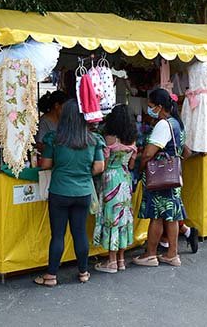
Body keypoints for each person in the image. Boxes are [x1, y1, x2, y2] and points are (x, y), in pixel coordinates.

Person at [34, 99, 105, 287]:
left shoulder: (54, 139)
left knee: (58, 234)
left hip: (60, 191)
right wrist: (82, 173)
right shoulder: (93, 139)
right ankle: (83, 272)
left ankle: (51, 276)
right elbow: (99, 167)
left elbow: (46, 164)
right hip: (83, 193)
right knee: (79, 232)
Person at [133, 88, 192, 267]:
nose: (149, 109)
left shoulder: (163, 125)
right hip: (173, 174)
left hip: (159, 176)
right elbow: (186, 151)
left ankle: (150, 254)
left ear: (159, 106)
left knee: (157, 215)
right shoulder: (177, 123)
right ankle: (172, 254)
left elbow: (149, 153)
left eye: (151, 106)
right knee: (171, 216)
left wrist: (141, 169)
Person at [93, 105, 138, 273]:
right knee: (123, 219)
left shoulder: (109, 138)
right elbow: (132, 164)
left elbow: (102, 164)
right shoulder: (132, 139)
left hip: (110, 179)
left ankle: (111, 261)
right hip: (125, 178)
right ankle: (121, 260)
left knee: (111, 218)